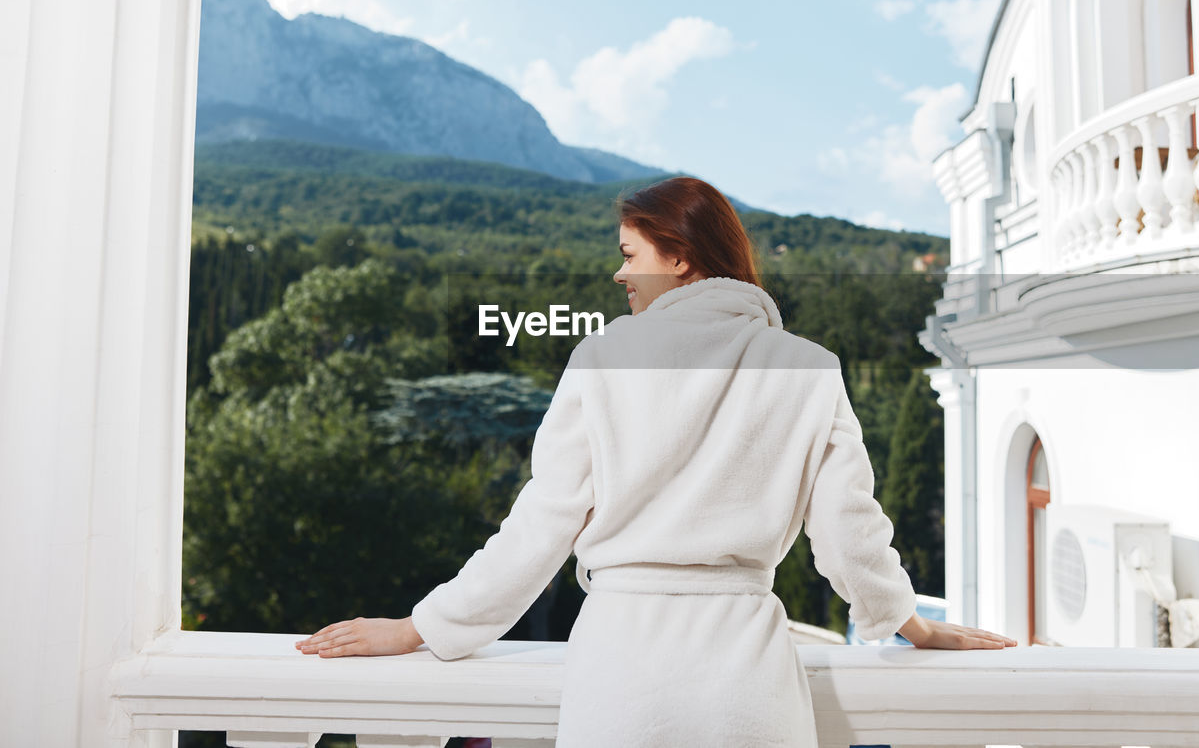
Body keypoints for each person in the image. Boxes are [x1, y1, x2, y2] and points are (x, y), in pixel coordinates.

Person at [296, 176, 1016, 745]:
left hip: (622, 672)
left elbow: (542, 523)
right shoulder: (808, 367)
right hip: (748, 681)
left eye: (629, 255)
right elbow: (848, 527)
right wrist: (907, 623)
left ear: (679, 257)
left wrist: (422, 626)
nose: (619, 275)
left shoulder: (603, 358)